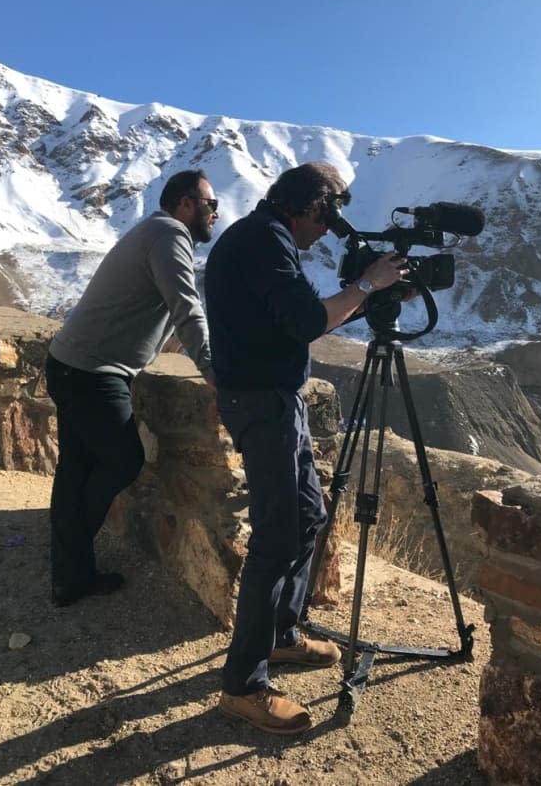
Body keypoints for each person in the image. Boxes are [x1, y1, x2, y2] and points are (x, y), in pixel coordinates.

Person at [204, 162, 409, 734]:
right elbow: (305, 320)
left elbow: (289, 319)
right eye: (328, 216)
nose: (327, 230)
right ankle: (242, 687)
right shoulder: (262, 240)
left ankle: (281, 635)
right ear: (312, 206)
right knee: (276, 535)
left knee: (310, 516)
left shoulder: (261, 237)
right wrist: (367, 284)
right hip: (261, 403)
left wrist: (375, 293)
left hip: (276, 399)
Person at [46, 169, 219, 607]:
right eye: (209, 204)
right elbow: (186, 307)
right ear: (185, 204)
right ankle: (70, 561)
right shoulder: (170, 235)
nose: (215, 213)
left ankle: (69, 573)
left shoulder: (153, 232)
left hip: (70, 363)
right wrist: (214, 368)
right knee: (123, 460)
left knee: (76, 468)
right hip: (92, 373)